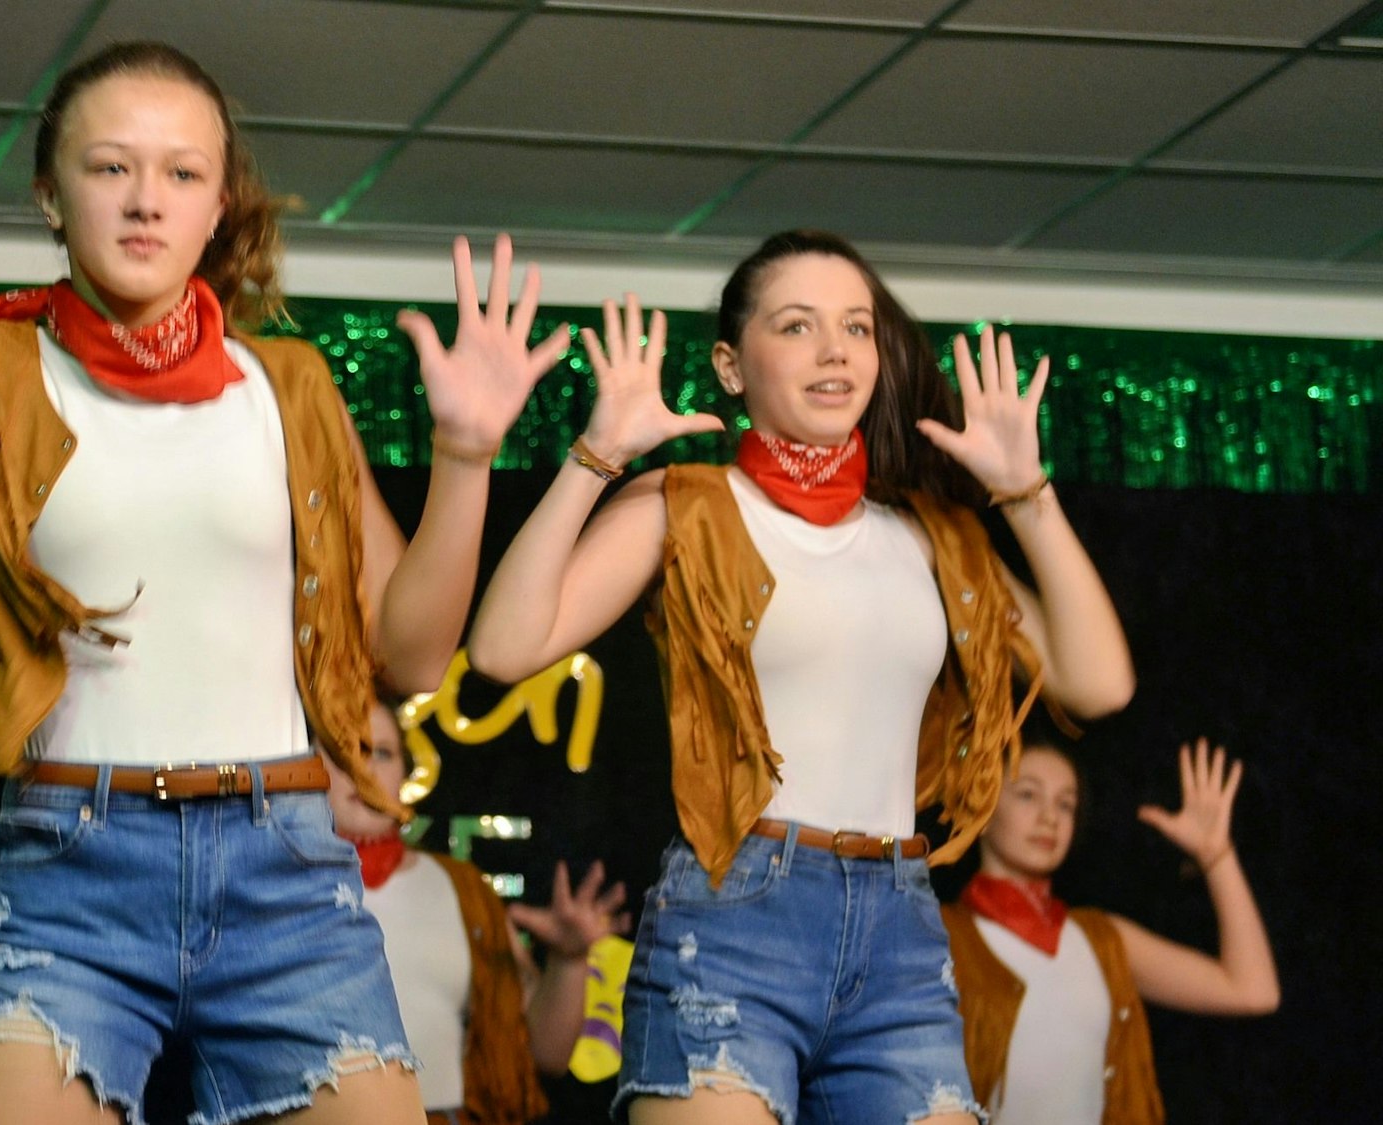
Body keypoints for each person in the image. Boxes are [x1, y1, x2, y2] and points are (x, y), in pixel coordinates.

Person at [0, 1, 567, 1120]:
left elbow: (406, 658)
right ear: (51, 197)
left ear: (218, 208)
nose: (146, 196)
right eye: (109, 165)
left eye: (181, 171)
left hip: (284, 871)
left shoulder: (288, 387)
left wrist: (463, 458)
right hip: (73, 865)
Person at [466, 228, 1137, 1125]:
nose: (835, 351)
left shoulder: (933, 535)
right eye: (797, 326)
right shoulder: (688, 505)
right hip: (735, 914)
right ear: (731, 366)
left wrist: (1028, 493)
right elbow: (504, 648)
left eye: (856, 328)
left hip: (899, 928)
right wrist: (596, 458)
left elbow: (1099, 684)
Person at [324, 698, 630, 1125]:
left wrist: (569, 960)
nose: (364, 768)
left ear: (404, 773)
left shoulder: (463, 888)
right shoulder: (270, 889)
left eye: (382, 752)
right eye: (343, 749)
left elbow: (546, 1054)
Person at [943, 737, 1278, 1123]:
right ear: (982, 802)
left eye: (1066, 804)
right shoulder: (939, 935)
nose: (1050, 817)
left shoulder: (1100, 938)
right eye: (1028, 795)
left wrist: (1216, 856)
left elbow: (1253, 990)